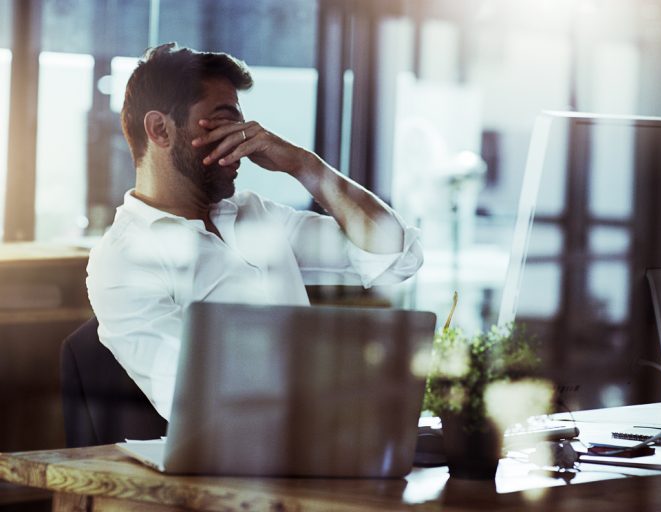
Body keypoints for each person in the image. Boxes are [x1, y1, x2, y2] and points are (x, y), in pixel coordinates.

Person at [86, 43, 423, 420]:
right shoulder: (122, 260)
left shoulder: (256, 214)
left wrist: (303, 165)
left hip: (324, 436)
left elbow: (395, 256)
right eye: (223, 119)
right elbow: (196, 397)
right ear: (160, 129)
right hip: (233, 466)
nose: (245, 136)